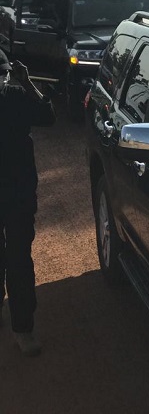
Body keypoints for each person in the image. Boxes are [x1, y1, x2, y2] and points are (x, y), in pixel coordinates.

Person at [0, 53, 56, 356]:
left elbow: (48, 116)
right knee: (12, 258)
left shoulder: (16, 97)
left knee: (19, 259)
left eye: (4, 74)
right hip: (17, 193)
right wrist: (26, 80)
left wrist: (26, 82)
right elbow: (47, 115)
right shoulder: (17, 96)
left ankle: (23, 328)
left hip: (19, 194)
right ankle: (14, 319)